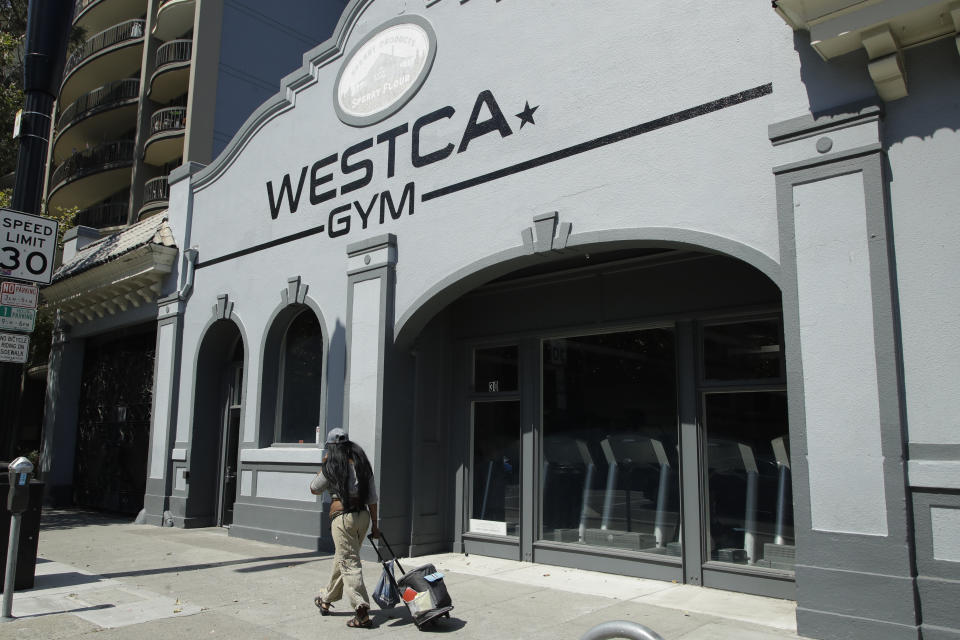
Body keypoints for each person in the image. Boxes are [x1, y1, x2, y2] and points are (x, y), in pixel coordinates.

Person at [310, 428, 380, 628]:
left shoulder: (332, 465)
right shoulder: (362, 463)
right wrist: (375, 525)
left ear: (331, 447)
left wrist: (323, 466)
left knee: (348, 562)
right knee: (343, 558)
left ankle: (362, 610)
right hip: (363, 517)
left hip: (342, 519)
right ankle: (326, 598)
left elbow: (314, 488)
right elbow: (372, 497)